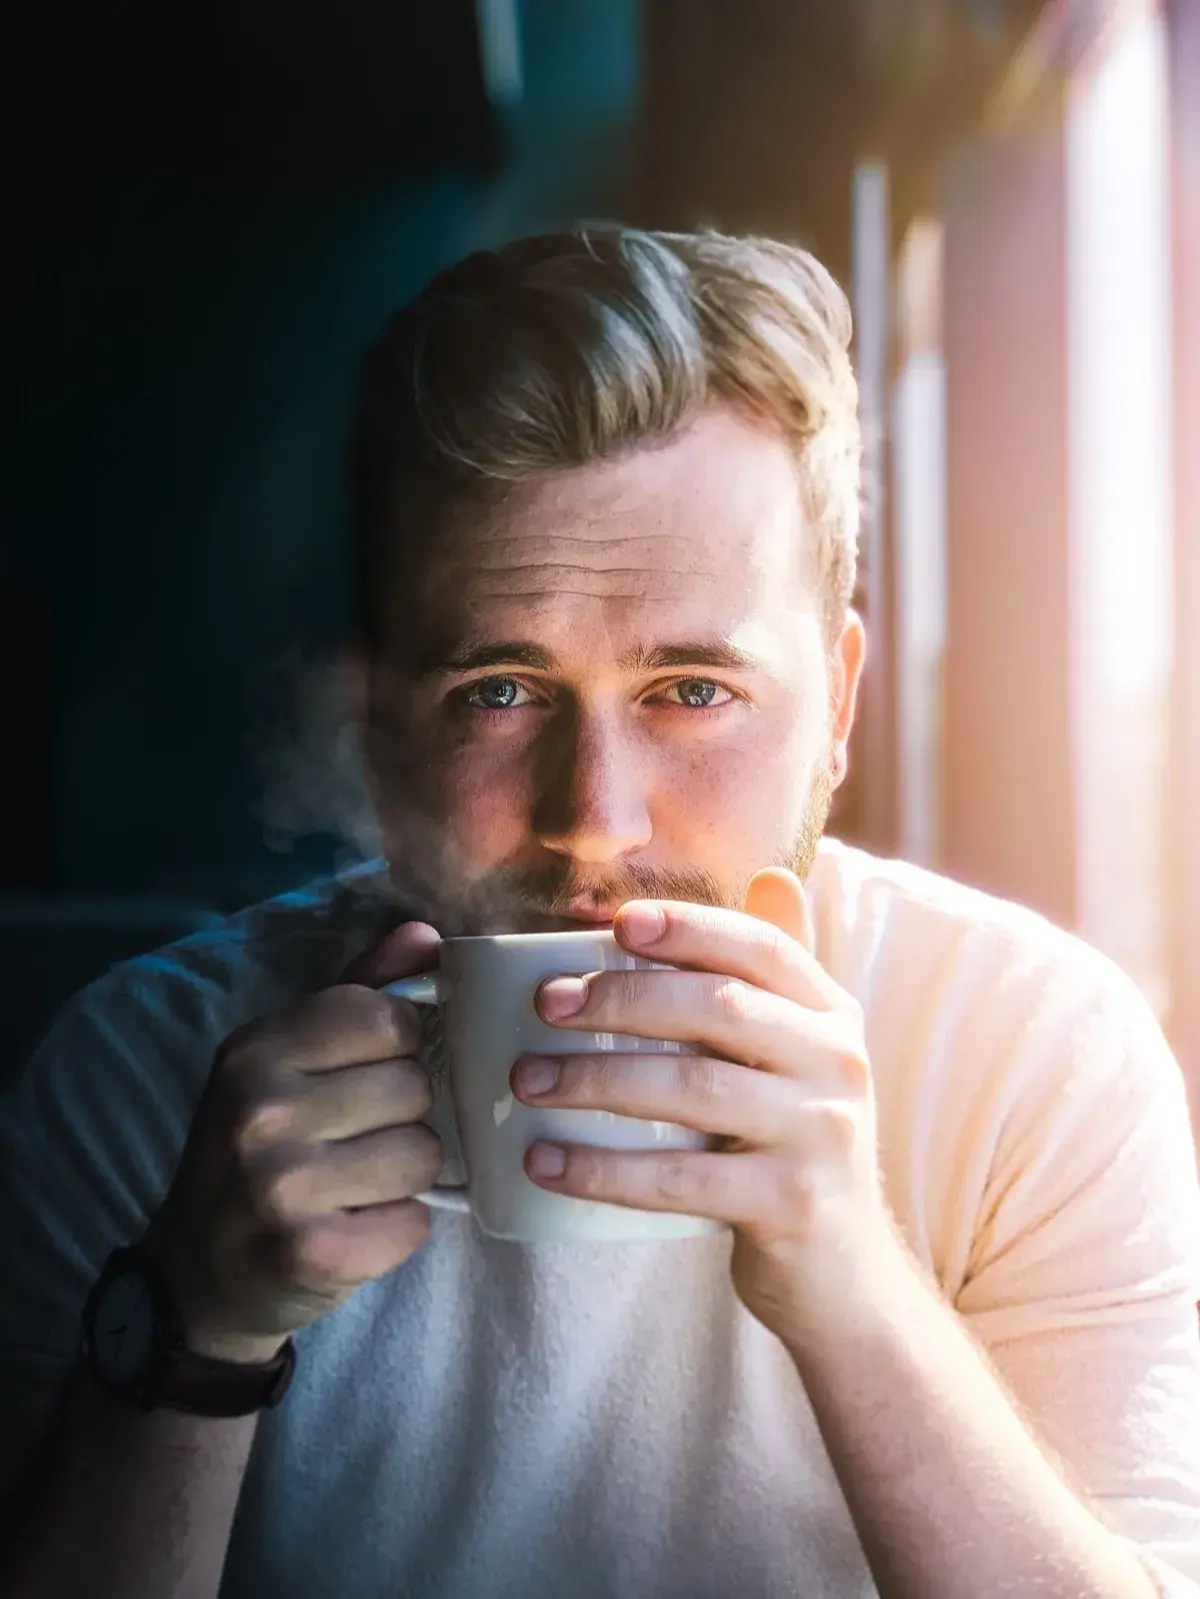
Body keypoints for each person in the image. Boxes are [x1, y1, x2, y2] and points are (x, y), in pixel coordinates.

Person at [1, 226, 1198, 1599]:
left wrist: (860, 1296)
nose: (596, 816)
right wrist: (193, 1330)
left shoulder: (1031, 1061)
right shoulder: (140, 1087)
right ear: (379, 728)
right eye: (498, 691)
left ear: (840, 707)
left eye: (694, 690)